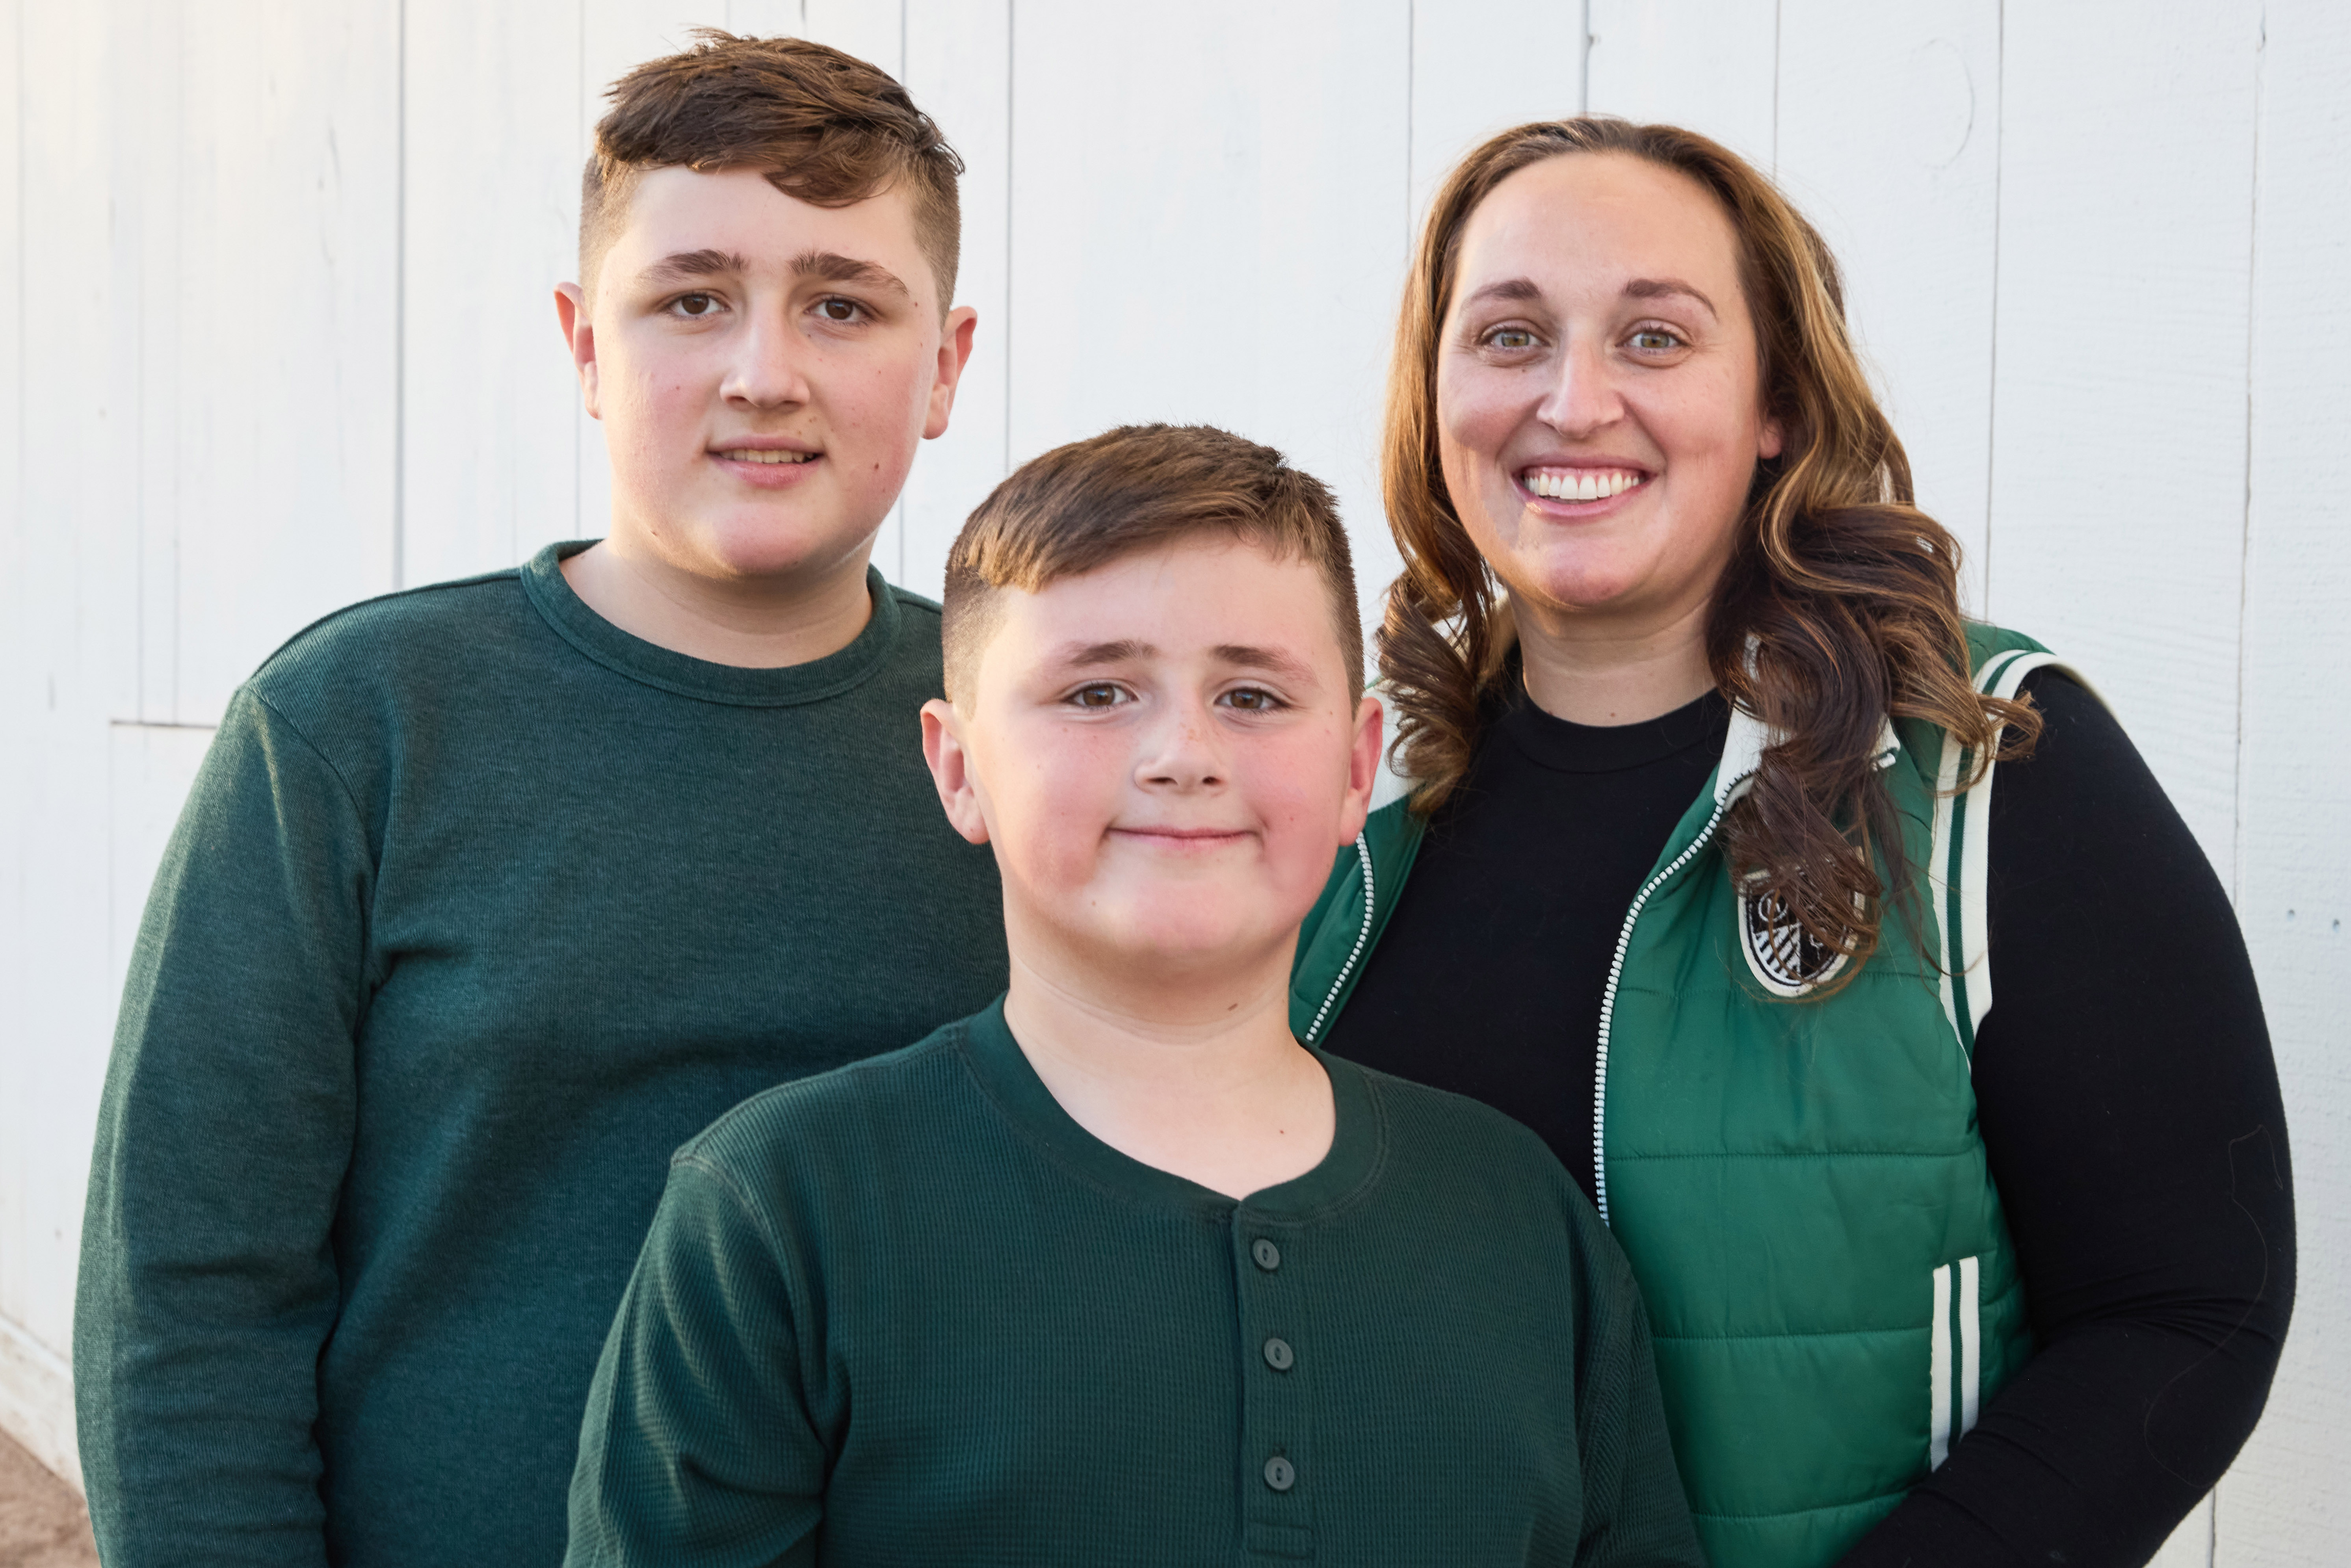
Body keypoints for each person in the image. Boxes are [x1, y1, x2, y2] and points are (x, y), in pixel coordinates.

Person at [1289, 120, 2293, 1568]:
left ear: (1772, 401)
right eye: (1509, 336)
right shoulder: (1340, 799)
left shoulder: (1982, 760)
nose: (1574, 401)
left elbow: (2190, 1306)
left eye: (1654, 335)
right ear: (1435, 396)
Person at [74, 32, 1006, 1567]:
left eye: (841, 303)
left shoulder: (1025, 739)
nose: (764, 370)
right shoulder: (358, 727)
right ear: (584, 344)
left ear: (946, 363)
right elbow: (189, 1296)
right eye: (691, 298)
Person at [563, 424, 1706, 1568]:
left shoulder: (1519, 1221)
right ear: (958, 765)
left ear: (1359, 766)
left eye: (1254, 695)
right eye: (1099, 690)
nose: (1182, 753)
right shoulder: (780, 1210)